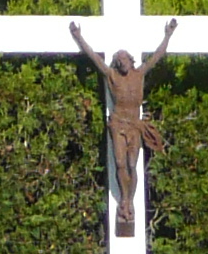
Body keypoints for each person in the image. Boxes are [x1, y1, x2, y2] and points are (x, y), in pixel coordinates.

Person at [69, 17, 177, 236]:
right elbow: (94, 58)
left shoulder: (139, 74)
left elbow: (158, 56)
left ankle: (129, 201)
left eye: (125, 59)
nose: (122, 63)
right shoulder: (112, 76)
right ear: (117, 64)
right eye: (119, 60)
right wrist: (79, 37)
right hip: (118, 123)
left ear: (131, 61)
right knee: (120, 163)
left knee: (131, 164)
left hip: (134, 125)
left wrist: (168, 34)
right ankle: (124, 201)